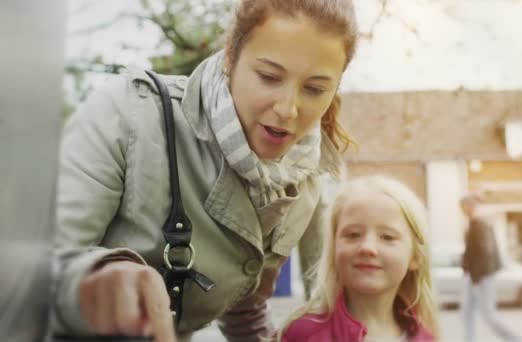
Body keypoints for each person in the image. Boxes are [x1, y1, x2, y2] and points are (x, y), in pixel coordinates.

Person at [51, 1, 359, 341]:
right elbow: (34, 271)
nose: (287, 109)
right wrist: (101, 277)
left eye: (315, 89)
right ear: (230, 56)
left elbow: (245, 304)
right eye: (269, 77)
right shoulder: (128, 115)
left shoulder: (305, 180)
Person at [281, 176, 439, 341]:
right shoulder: (301, 335)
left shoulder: (427, 338)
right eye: (353, 235)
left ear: (416, 256)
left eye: (387, 237)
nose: (367, 247)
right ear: (334, 247)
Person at [460, 194, 521, 342]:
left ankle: (517, 339)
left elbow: (486, 251)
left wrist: (476, 277)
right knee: (466, 311)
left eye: (463, 206)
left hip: (481, 276)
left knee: (489, 316)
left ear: (470, 206)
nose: (462, 210)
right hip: (474, 276)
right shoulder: (475, 223)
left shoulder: (480, 224)